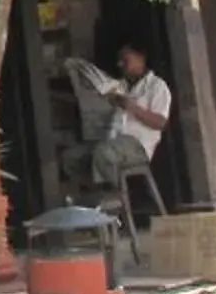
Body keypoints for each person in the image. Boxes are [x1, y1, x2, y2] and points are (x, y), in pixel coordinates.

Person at [61, 45, 173, 193]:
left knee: (104, 153)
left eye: (125, 60)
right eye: (119, 61)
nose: (120, 64)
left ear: (141, 59)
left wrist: (132, 107)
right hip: (111, 140)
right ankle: (95, 192)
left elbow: (160, 123)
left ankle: (114, 196)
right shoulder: (120, 86)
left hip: (137, 146)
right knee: (71, 157)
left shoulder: (156, 86)